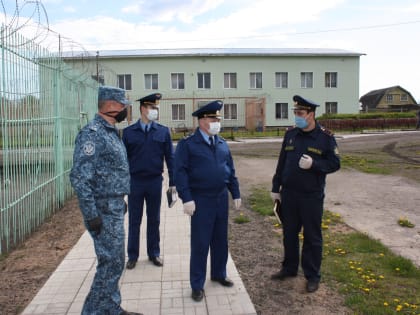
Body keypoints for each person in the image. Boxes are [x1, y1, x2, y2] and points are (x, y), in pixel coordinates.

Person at [70, 86, 142, 315]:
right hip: (102, 211)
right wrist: (91, 215)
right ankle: (92, 312)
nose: (125, 110)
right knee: (110, 263)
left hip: (112, 207)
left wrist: (119, 200)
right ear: (111, 105)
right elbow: (80, 177)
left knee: (115, 262)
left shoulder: (110, 132)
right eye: (123, 106)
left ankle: (110, 308)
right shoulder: (93, 134)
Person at [270, 95, 340, 293]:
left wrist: (314, 165)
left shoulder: (325, 137)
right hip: (289, 195)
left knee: (312, 237)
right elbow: (282, 162)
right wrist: (276, 188)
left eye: (300, 113)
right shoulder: (291, 134)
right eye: (295, 113)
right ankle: (289, 269)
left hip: (311, 196)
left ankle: (312, 276)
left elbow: (335, 164)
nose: (297, 117)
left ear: (311, 114)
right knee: (289, 234)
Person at [174, 100, 241, 302]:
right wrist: (187, 198)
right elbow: (180, 173)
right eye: (213, 119)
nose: (216, 122)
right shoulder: (188, 144)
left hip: (221, 198)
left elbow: (230, 170)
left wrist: (235, 192)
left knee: (220, 240)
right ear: (202, 121)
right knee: (201, 243)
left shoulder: (221, 143)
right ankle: (197, 284)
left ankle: (219, 273)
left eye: (217, 119)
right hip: (201, 200)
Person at [122, 93, 175, 269]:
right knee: (134, 220)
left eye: (156, 108)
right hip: (135, 182)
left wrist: (173, 184)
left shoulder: (162, 131)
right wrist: (122, 187)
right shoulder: (128, 133)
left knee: (154, 219)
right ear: (143, 109)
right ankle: (132, 255)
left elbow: (170, 159)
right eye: (152, 108)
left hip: (154, 181)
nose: (155, 111)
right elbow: (123, 162)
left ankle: (154, 253)